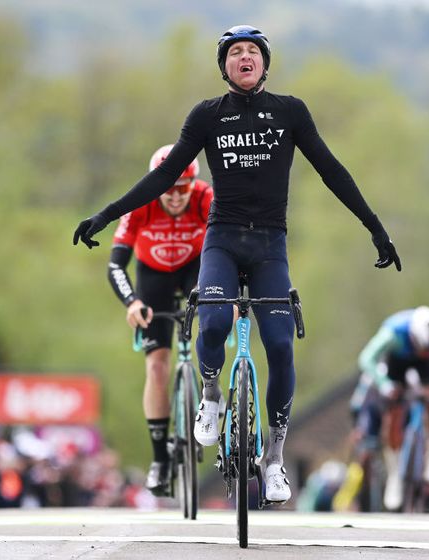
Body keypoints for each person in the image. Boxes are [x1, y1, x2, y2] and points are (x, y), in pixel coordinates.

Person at [74, 25, 401, 503]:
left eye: (252, 51)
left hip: (270, 245)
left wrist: (375, 226)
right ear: (224, 67)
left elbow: (331, 170)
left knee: (280, 345)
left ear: (264, 64)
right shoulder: (207, 116)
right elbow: (165, 174)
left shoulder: (290, 112)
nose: (243, 58)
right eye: (234, 53)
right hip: (222, 241)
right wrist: (107, 215)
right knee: (210, 322)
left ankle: (273, 458)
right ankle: (210, 394)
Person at [105, 144, 213, 496]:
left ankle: (211, 390)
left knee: (213, 316)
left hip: (194, 269)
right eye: (169, 187)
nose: (177, 196)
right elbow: (115, 264)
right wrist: (132, 302)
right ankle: (160, 460)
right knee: (157, 367)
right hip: (153, 275)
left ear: (194, 185)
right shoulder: (142, 203)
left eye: (184, 187)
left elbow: (228, 247)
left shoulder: (205, 198)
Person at [354, 306, 429, 511]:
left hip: (427, 368)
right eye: (424, 349)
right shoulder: (393, 331)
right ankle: (395, 472)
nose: (425, 353)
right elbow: (366, 358)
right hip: (397, 362)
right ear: (413, 338)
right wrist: (384, 383)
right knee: (394, 410)